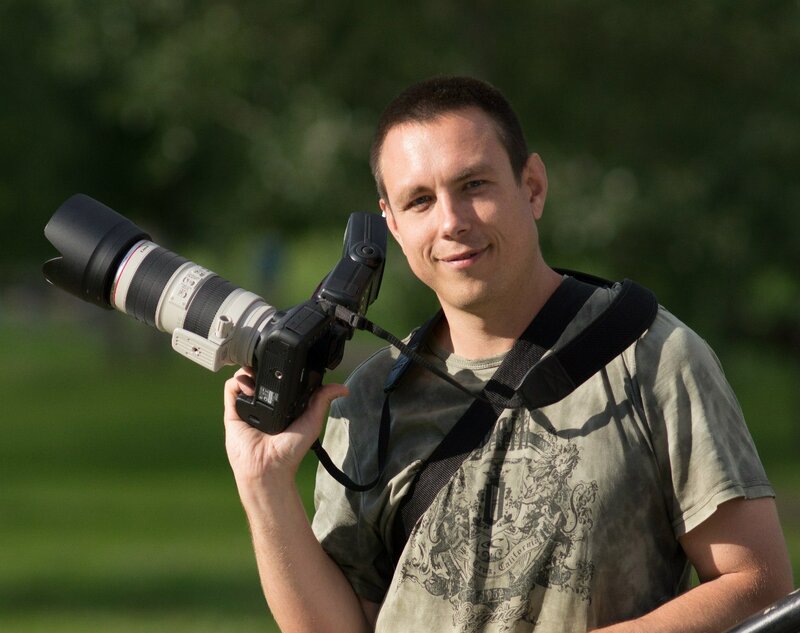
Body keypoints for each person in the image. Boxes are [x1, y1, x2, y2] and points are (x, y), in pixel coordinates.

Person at [223, 76, 793, 632]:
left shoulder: (652, 356)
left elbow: (755, 584)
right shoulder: (367, 400)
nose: (451, 221)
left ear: (533, 186)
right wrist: (265, 484)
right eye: (420, 201)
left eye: (474, 185)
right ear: (392, 225)